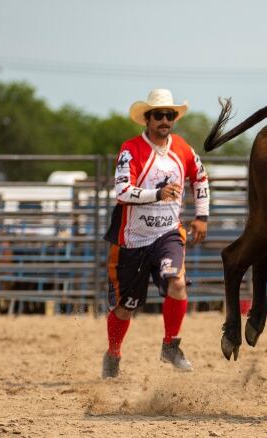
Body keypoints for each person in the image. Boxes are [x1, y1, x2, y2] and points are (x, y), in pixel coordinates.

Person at [101, 89, 210, 379]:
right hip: (132, 239)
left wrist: (202, 216)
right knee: (126, 307)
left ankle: (171, 345)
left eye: (169, 115)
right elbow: (122, 192)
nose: (165, 120)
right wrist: (158, 193)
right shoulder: (130, 149)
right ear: (147, 119)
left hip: (168, 233)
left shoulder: (184, 149)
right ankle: (113, 353)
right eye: (159, 115)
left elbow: (200, 177)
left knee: (177, 283)